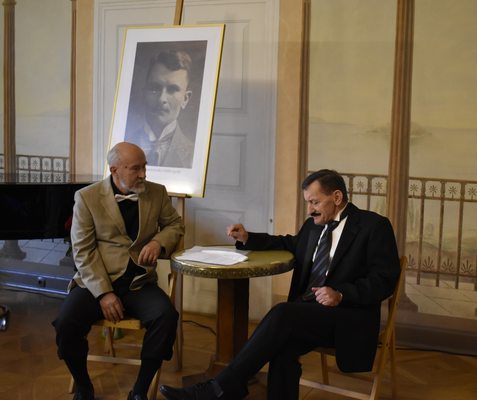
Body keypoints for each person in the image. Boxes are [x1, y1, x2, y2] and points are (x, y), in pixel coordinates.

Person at [159, 169, 401, 400]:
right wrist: (248, 238)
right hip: (309, 313)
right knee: (283, 345)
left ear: (337, 197)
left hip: (347, 316)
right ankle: (220, 389)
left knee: (282, 313)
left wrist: (340, 293)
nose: (310, 210)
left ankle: (218, 389)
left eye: (315, 202)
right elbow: (290, 245)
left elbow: (385, 280)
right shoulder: (314, 224)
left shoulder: (374, 226)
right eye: (308, 203)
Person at [53, 142, 184, 400]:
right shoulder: (87, 198)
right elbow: (83, 252)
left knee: (166, 316)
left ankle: (139, 391)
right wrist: (104, 293)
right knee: (66, 323)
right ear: (114, 170)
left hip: (139, 282)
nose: (143, 174)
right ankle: (84, 387)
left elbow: (175, 225)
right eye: (136, 168)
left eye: (144, 167)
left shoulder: (157, 192)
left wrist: (158, 242)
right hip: (96, 283)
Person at [124, 50, 195, 168]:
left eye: (172, 90)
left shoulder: (194, 155)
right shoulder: (122, 145)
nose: (162, 98)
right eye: (154, 88)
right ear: (144, 94)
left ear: (185, 99)